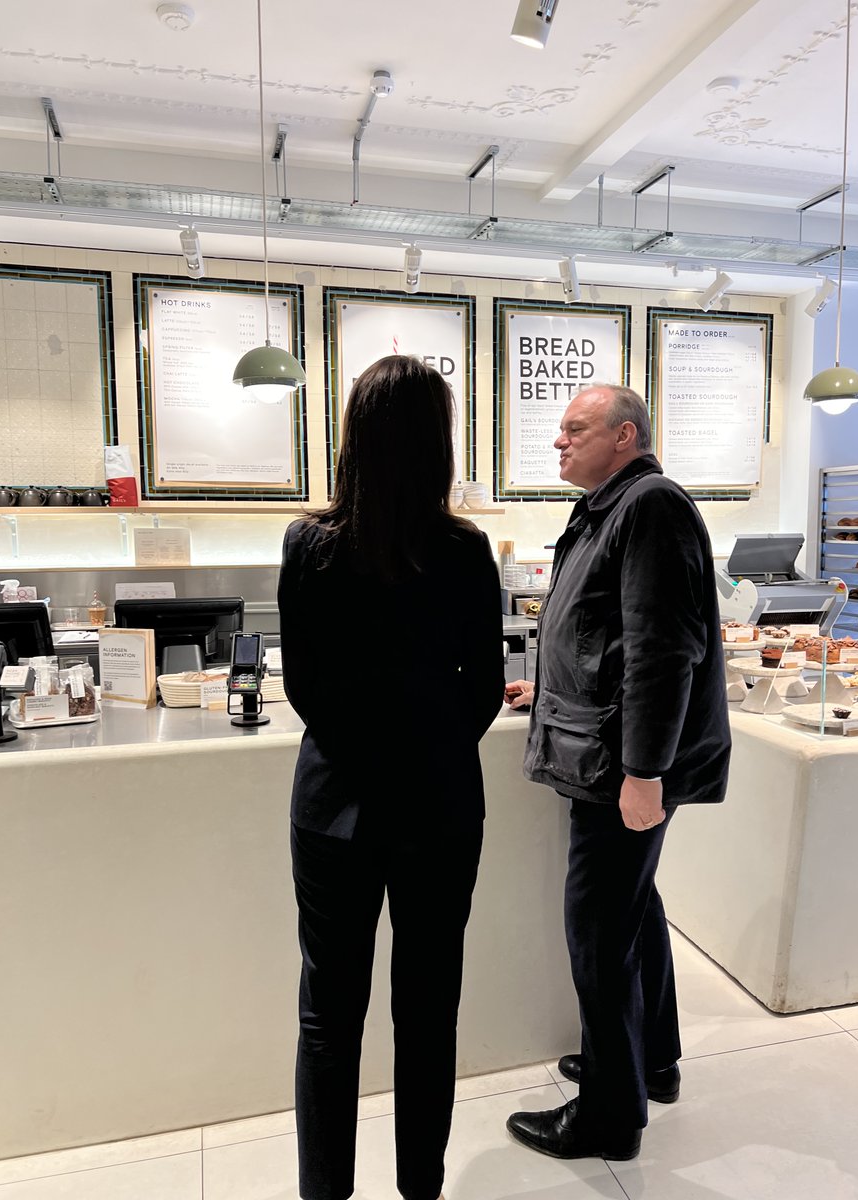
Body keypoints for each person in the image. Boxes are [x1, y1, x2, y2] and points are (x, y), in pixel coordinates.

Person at [277, 354, 505, 1200]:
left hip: (334, 804)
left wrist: (363, 750)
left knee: (327, 1019)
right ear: (438, 443)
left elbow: (302, 685)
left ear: (355, 437)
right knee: (428, 1010)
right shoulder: (464, 549)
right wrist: (430, 748)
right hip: (440, 806)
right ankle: (421, 1190)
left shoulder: (310, 543)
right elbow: (482, 690)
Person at [504, 384, 731, 1162]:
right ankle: (649, 1061)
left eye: (575, 429)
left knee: (599, 931)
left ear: (624, 435)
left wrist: (644, 773)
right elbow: (610, 635)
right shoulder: (612, 505)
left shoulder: (650, 506)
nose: (559, 443)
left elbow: (665, 650)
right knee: (630, 912)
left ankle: (609, 1112)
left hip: (617, 769)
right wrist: (552, 687)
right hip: (603, 750)